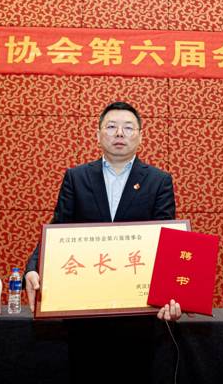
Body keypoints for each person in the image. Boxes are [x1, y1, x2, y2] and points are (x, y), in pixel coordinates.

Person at [24, 101, 182, 321]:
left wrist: (174, 293)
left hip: (138, 306)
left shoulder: (159, 181)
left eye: (128, 127)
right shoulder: (76, 177)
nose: (119, 133)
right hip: (84, 302)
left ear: (141, 136)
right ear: (98, 135)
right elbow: (57, 228)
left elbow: (168, 240)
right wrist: (33, 268)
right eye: (111, 126)